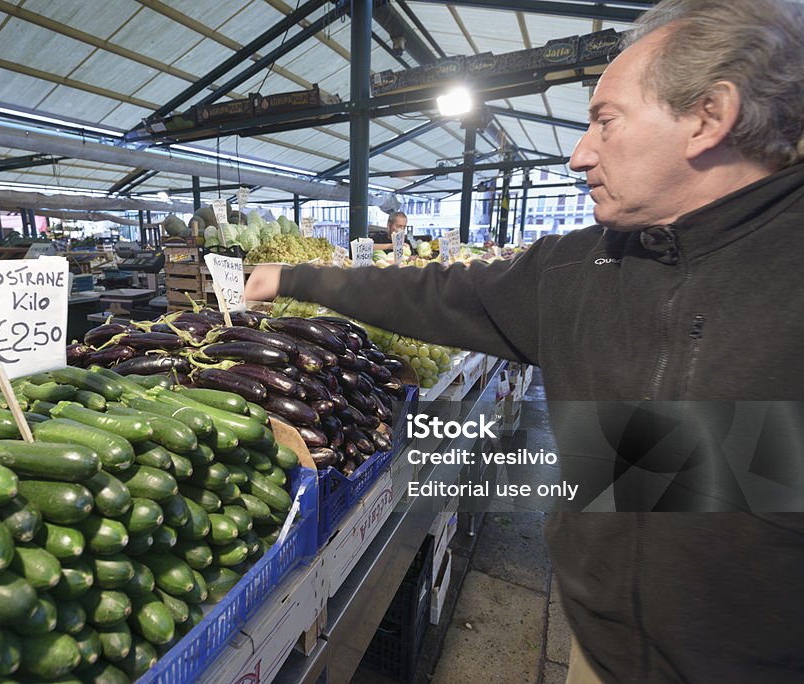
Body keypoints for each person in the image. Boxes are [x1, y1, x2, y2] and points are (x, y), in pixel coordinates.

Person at [245, 1, 804, 681]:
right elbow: (435, 293)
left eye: (606, 120)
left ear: (708, 118)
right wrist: (294, 278)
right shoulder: (580, 269)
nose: (579, 154)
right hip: (598, 656)